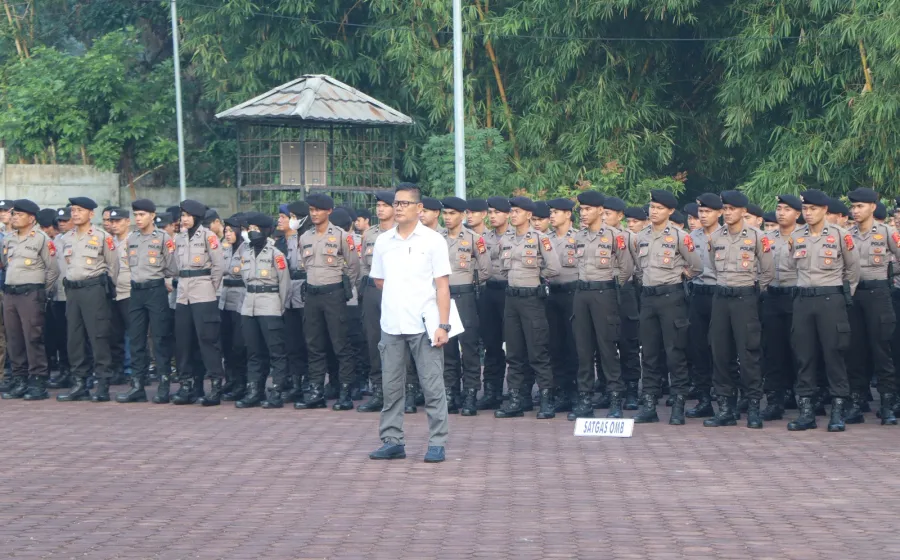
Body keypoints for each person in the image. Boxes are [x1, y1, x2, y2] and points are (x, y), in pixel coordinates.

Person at [368, 183, 451, 463]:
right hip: (392, 324)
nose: (399, 208)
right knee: (391, 387)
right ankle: (392, 441)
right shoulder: (383, 241)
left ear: (419, 208)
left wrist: (443, 325)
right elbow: (379, 280)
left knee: (432, 386)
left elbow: (442, 286)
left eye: (405, 203)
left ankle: (437, 442)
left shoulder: (433, 241)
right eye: (396, 203)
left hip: (424, 324)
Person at [786, 189, 859, 432]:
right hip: (803, 300)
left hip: (831, 300)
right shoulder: (796, 236)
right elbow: (791, 266)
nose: (808, 213)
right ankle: (806, 412)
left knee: (834, 354)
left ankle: (838, 410)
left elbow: (853, 270)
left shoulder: (840, 235)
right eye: (805, 209)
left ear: (825, 210)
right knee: (804, 355)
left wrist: (843, 296)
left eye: (813, 209)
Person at [703, 191, 773, 428]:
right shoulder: (715, 237)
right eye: (725, 208)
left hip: (745, 298)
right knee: (720, 353)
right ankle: (726, 408)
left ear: (744, 211)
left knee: (748, 353)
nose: (728, 213)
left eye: (732, 209)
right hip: (721, 298)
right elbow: (713, 265)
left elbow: (767, 272)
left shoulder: (757, 237)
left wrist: (753, 293)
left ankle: (753, 406)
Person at [633, 190, 703, 424]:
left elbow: (696, 266)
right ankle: (649, 405)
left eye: (659, 208)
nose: (654, 211)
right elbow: (638, 267)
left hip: (671, 298)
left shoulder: (680, 236)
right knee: (649, 353)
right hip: (648, 298)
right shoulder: (641, 236)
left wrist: (680, 276)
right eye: (652, 207)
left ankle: (678, 404)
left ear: (670, 211)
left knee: (675, 353)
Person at [494, 196, 561, 419]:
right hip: (511, 299)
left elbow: (554, 268)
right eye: (511, 211)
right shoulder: (506, 239)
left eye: (517, 211)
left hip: (532, 299)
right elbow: (502, 268)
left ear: (529, 215)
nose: (513, 215)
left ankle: (546, 399)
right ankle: (516, 399)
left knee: (538, 351)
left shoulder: (541, 239)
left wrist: (536, 278)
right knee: (513, 352)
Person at [570, 191, 633, 420]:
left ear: (600, 210)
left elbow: (626, 268)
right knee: (583, 349)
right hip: (581, 293)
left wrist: (611, 286)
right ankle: (585, 400)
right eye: (582, 209)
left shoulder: (615, 236)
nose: (584, 213)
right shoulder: (578, 236)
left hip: (604, 293)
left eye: (588, 209)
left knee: (607, 348)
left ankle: (615, 399)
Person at [295, 193, 360, 410]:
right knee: (314, 345)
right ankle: (316, 392)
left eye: (318, 210)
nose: (314, 214)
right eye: (311, 210)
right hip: (312, 295)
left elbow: (353, 266)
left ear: (329, 211)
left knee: (341, 345)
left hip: (334, 294)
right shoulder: (305, 237)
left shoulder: (341, 236)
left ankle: (345, 392)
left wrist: (343, 289)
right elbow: (305, 265)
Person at [56, 197, 120, 403]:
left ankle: (102, 383)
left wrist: (107, 289)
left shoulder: (102, 236)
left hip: (94, 289)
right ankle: (79, 383)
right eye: (73, 210)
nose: (75, 214)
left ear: (91, 214)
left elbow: (114, 266)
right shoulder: (67, 237)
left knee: (98, 336)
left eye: (80, 210)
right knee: (74, 338)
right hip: (73, 291)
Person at [845, 188, 899, 425]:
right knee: (855, 350)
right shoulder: (847, 235)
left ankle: (887, 403)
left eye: (860, 206)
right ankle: (856, 402)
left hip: (879, 294)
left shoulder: (887, 232)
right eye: (853, 207)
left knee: (882, 348)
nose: (855, 211)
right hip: (854, 294)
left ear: (872, 207)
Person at [119, 200, 177, 404]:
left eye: (142, 214)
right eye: (136, 215)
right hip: (136, 292)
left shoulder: (163, 238)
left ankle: (163, 385)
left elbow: (172, 267)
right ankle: (137, 386)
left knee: (160, 338)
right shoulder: (132, 238)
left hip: (155, 290)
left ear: (152, 216)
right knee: (136, 339)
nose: (138, 218)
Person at [0, 199, 59, 400]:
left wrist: (40, 292)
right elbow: (6, 264)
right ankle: (20, 379)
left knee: (33, 338)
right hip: (11, 293)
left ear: (31, 218)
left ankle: (38, 380)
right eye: (14, 214)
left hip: (31, 294)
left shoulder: (41, 239)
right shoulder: (9, 239)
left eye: (19, 215)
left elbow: (53, 270)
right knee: (14, 339)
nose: (15, 217)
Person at [232, 213, 291, 409]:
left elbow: (285, 285)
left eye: (256, 228)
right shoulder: (245, 252)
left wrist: (279, 307)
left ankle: (277, 391)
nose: (252, 232)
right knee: (253, 352)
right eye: (250, 229)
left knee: (276, 351)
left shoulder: (276, 254)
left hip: (270, 304)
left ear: (265, 230)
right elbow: (243, 279)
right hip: (249, 306)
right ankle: (254, 391)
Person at [439, 196, 490, 415]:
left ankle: (470, 393)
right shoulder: (436, 239)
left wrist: (470, 283)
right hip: (442, 296)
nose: (448, 217)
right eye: (445, 213)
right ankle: (451, 393)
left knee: (469, 346)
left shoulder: (474, 239)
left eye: (452, 213)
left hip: (465, 296)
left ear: (461, 215)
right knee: (447, 346)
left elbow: (486, 269)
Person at [172, 199, 225, 406]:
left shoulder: (208, 236)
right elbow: (176, 265)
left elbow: (218, 267)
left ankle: (215, 386)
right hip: (183, 293)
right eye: (182, 216)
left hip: (203, 292)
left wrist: (210, 288)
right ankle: (188, 386)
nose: (183, 219)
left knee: (207, 340)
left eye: (187, 216)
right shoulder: (179, 237)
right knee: (184, 341)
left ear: (197, 217)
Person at [760, 195, 803, 420]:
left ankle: (805, 399)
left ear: (797, 213)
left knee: (800, 351)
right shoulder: (767, 238)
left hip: (797, 297)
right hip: (772, 297)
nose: (781, 213)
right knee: (773, 351)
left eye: (787, 209)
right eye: (779, 208)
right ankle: (774, 401)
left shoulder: (805, 237)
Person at [684, 193, 723, 419]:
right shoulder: (690, 237)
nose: (703, 216)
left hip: (719, 294)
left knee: (721, 348)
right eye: (701, 212)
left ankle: (726, 398)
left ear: (719, 213)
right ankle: (704, 399)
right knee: (698, 347)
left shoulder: (726, 235)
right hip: (698, 293)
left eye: (708, 212)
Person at [357, 191, 396, 413]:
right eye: (378, 205)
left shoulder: (402, 232)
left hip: (396, 289)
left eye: (385, 205)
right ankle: (379, 391)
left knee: (400, 338)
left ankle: (406, 391)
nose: (380, 209)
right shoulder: (369, 234)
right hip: (373, 290)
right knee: (374, 340)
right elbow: (363, 263)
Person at [603, 196, 642, 409]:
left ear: (620, 216)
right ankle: (608, 389)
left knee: (628, 342)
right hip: (602, 292)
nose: (603, 217)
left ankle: (632, 390)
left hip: (625, 291)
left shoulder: (630, 238)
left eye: (608, 214)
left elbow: (639, 267)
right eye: (602, 213)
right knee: (604, 343)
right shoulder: (594, 236)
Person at [476, 196, 511, 410]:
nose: (493, 216)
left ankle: (517, 391)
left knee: (515, 344)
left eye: (497, 212)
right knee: (491, 343)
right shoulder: (483, 238)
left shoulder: (517, 236)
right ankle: (492, 390)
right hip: (489, 290)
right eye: (490, 212)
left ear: (508, 214)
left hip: (509, 291)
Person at [545, 197, 579, 413]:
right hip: (551, 295)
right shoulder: (545, 239)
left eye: (556, 212)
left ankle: (576, 390)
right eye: (551, 212)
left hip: (573, 294)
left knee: (574, 344)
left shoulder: (579, 237)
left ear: (568, 214)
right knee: (554, 344)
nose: (552, 216)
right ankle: (560, 390)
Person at [277, 201, 311, 404]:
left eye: (293, 217)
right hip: (291, 293)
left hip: (307, 293)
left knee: (310, 342)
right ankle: (296, 383)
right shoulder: (289, 239)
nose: (291, 220)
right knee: (293, 341)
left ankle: (310, 383)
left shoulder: (311, 237)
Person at [46, 207, 72, 389]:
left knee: (77, 337)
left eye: (65, 220)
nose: (61, 224)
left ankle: (80, 373)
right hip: (57, 295)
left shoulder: (78, 239)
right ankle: (65, 371)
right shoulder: (55, 241)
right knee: (61, 336)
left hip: (74, 294)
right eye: (59, 221)